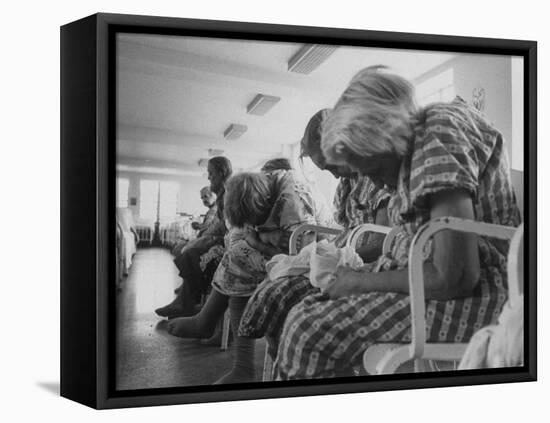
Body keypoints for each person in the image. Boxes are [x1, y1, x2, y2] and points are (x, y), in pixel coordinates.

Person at [273, 66, 520, 380]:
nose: (379, 184)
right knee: (306, 308)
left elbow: (454, 275)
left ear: (386, 135)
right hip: (460, 285)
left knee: (307, 329)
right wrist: (355, 277)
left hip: (489, 294)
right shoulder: (422, 141)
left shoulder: (438, 134)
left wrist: (359, 282)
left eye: (375, 170)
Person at [239, 108, 391, 362]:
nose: (332, 174)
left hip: (365, 263)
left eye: (331, 164)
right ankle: (281, 360)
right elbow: (343, 231)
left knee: (292, 300)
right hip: (345, 255)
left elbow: (384, 238)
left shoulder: (376, 175)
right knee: (274, 285)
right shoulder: (345, 185)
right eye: (324, 168)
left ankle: (295, 360)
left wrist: (338, 255)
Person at [166, 169, 320, 384]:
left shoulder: (293, 208)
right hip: (284, 247)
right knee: (237, 253)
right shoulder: (265, 187)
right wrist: (257, 236)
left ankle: (238, 360)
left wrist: (257, 242)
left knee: (240, 259)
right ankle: (211, 327)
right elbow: (241, 231)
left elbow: (301, 256)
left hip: (313, 254)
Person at [155, 156, 232, 318]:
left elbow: (225, 226)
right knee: (189, 251)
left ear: (221, 172)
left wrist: (203, 239)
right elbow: (219, 225)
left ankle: (186, 303)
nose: (209, 177)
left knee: (190, 254)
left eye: (211, 173)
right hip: (221, 238)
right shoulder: (223, 195)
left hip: (228, 243)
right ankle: (183, 302)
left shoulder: (229, 194)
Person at [171, 186, 217, 258]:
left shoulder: (214, 210)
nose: (204, 200)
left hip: (207, 240)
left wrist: (198, 226)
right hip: (204, 238)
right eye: (202, 198)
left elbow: (206, 226)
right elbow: (209, 225)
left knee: (178, 250)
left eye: (206, 196)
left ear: (213, 195)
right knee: (177, 249)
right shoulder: (212, 209)